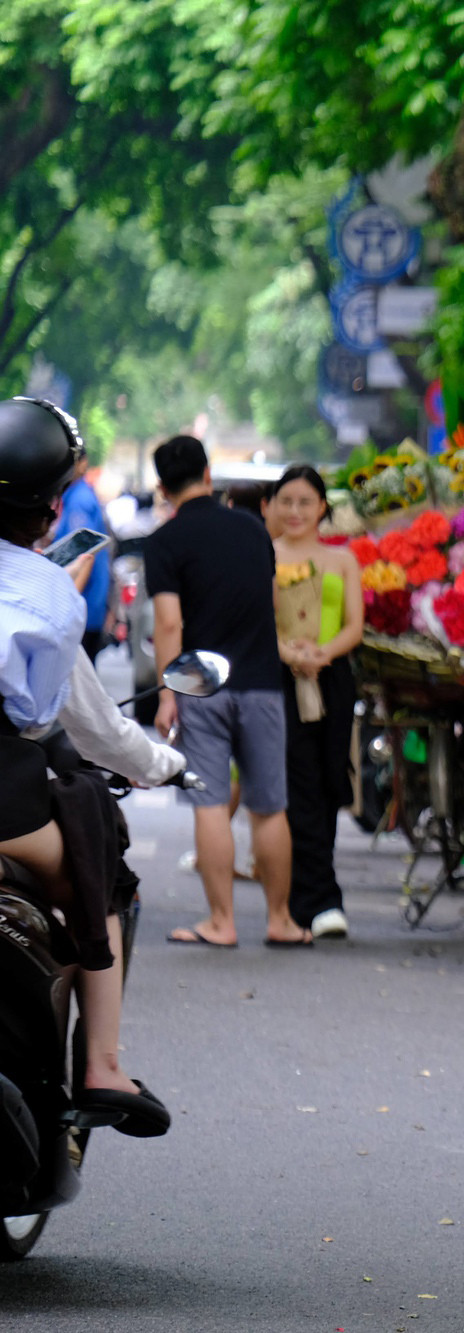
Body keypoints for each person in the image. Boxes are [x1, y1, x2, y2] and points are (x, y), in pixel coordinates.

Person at [0, 397, 179, 1136]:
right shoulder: (43, 590)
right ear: (49, 510)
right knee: (96, 867)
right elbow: (62, 719)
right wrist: (161, 762)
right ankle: (102, 1062)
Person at [144, 435, 312, 948]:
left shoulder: (165, 542)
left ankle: (221, 922)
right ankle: (281, 919)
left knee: (211, 805)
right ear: (208, 475)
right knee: (269, 806)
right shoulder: (252, 530)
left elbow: (169, 623)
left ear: (163, 488)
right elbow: (263, 598)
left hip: (201, 688)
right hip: (262, 682)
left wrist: (167, 693)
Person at [268, 465, 361, 939]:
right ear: (273, 506)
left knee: (328, 781)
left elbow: (354, 626)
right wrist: (289, 655)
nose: (295, 511)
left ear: (323, 506)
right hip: (283, 682)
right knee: (297, 784)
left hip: (332, 679)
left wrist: (322, 654)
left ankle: (314, 891)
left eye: (305, 502)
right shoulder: (265, 557)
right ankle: (318, 898)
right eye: (286, 501)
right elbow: (261, 622)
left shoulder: (342, 560)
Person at [50, 456, 110, 660]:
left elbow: (84, 556)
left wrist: (68, 605)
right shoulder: (76, 495)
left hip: (81, 609)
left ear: (83, 463)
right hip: (86, 608)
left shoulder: (79, 500)